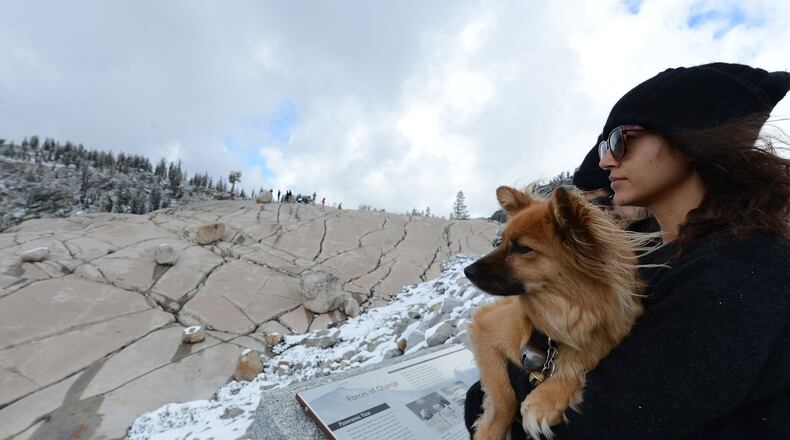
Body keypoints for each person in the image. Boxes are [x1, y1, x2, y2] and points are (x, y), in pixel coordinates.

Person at [465, 62, 790, 439]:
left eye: (621, 140)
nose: (605, 161)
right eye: (605, 146)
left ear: (690, 137)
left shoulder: (743, 273)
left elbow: (594, 427)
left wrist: (504, 390)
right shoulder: (667, 263)